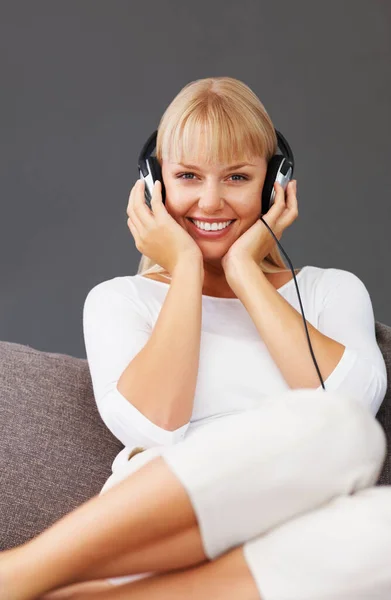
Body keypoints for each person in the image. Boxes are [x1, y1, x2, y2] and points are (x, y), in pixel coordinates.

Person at [1, 76, 390, 600]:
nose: (210, 201)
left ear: (274, 184)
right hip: (160, 529)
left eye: (236, 177)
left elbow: (350, 401)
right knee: (342, 435)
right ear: (154, 184)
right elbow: (152, 427)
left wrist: (245, 273)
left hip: (287, 541)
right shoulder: (119, 300)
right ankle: (25, 572)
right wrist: (183, 267)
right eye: (187, 175)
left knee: (380, 517)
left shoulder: (331, 291)